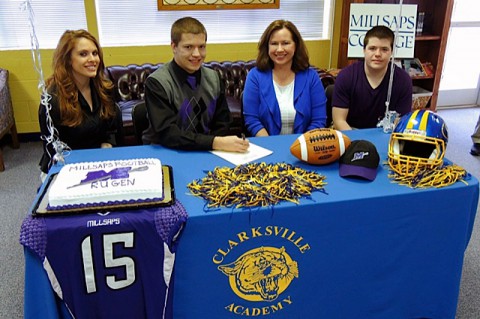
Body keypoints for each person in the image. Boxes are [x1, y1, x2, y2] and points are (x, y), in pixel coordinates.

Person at [142, 17, 249, 153]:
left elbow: (223, 123)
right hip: (166, 151)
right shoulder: (157, 82)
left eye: (202, 47)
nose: (197, 54)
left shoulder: (214, 78)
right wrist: (214, 142)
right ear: (174, 47)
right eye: (188, 47)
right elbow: (168, 134)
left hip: (207, 150)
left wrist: (214, 145)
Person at [38, 29, 118, 180]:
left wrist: (107, 143)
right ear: (68, 59)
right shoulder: (52, 99)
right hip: (64, 168)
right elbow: (52, 150)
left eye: (95, 53)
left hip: (98, 161)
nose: (93, 59)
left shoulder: (104, 89)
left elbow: (111, 128)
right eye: (83, 54)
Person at [243, 20, 327, 137]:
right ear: (267, 46)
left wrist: (302, 146)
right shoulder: (255, 76)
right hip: (266, 146)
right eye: (274, 43)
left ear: (296, 45)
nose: (279, 49)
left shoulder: (311, 77)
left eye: (285, 43)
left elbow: (319, 120)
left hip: (303, 148)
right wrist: (272, 146)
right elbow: (252, 120)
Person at [332, 25, 412, 130]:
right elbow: (339, 121)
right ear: (364, 50)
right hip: (351, 134)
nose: (377, 54)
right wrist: (358, 144)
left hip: (385, 136)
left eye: (384, 49)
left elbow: (401, 123)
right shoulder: (346, 76)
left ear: (392, 52)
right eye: (372, 48)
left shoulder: (403, 81)